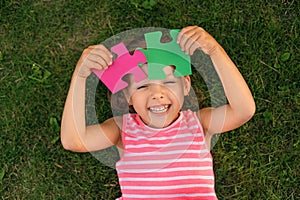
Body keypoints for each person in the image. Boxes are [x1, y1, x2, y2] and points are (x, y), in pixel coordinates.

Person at [61, 26, 256, 199]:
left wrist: (214, 50)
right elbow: (73, 141)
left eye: (169, 82)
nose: (157, 94)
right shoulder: (122, 129)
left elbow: (243, 110)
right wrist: (80, 76)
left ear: (186, 85)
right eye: (143, 86)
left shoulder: (199, 123)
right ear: (127, 95)